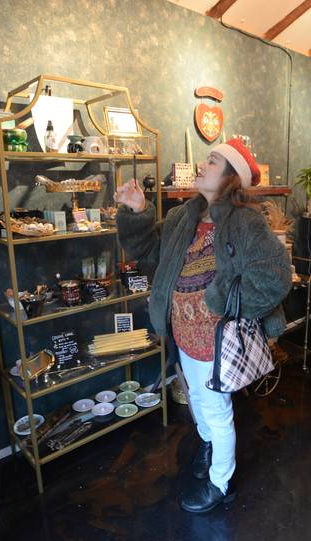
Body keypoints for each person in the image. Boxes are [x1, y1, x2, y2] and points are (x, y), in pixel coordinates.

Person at [114, 138, 291, 513]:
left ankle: (220, 482)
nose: (201, 166)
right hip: (183, 332)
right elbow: (149, 253)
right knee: (196, 398)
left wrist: (219, 300)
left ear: (230, 177)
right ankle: (209, 447)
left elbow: (274, 277)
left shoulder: (246, 221)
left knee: (215, 409)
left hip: (216, 337)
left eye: (211, 161)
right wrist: (138, 211)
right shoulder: (183, 217)